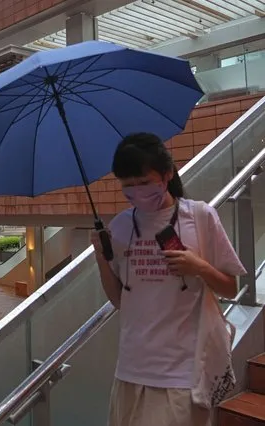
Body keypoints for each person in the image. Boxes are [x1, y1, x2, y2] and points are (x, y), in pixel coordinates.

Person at [91, 133, 246, 426]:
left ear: (168, 174)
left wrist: (198, 265)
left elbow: (230, 287)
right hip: (130, 369)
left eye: (144, 182)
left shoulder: (200, 216)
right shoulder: (122, 227)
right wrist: (101, 256)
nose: (137, 191)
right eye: (128, 186)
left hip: (182, 373)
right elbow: (119, 300)